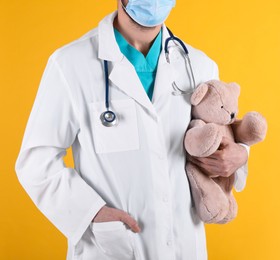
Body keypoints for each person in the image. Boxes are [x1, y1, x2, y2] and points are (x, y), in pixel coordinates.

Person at [14, 0, 252, 259]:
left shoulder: (198, 66)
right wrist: (90, 212)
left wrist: (240, 157)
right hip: (110, 248)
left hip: (184, 245)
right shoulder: (70, 65)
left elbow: (223, 140)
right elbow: (35, 161)